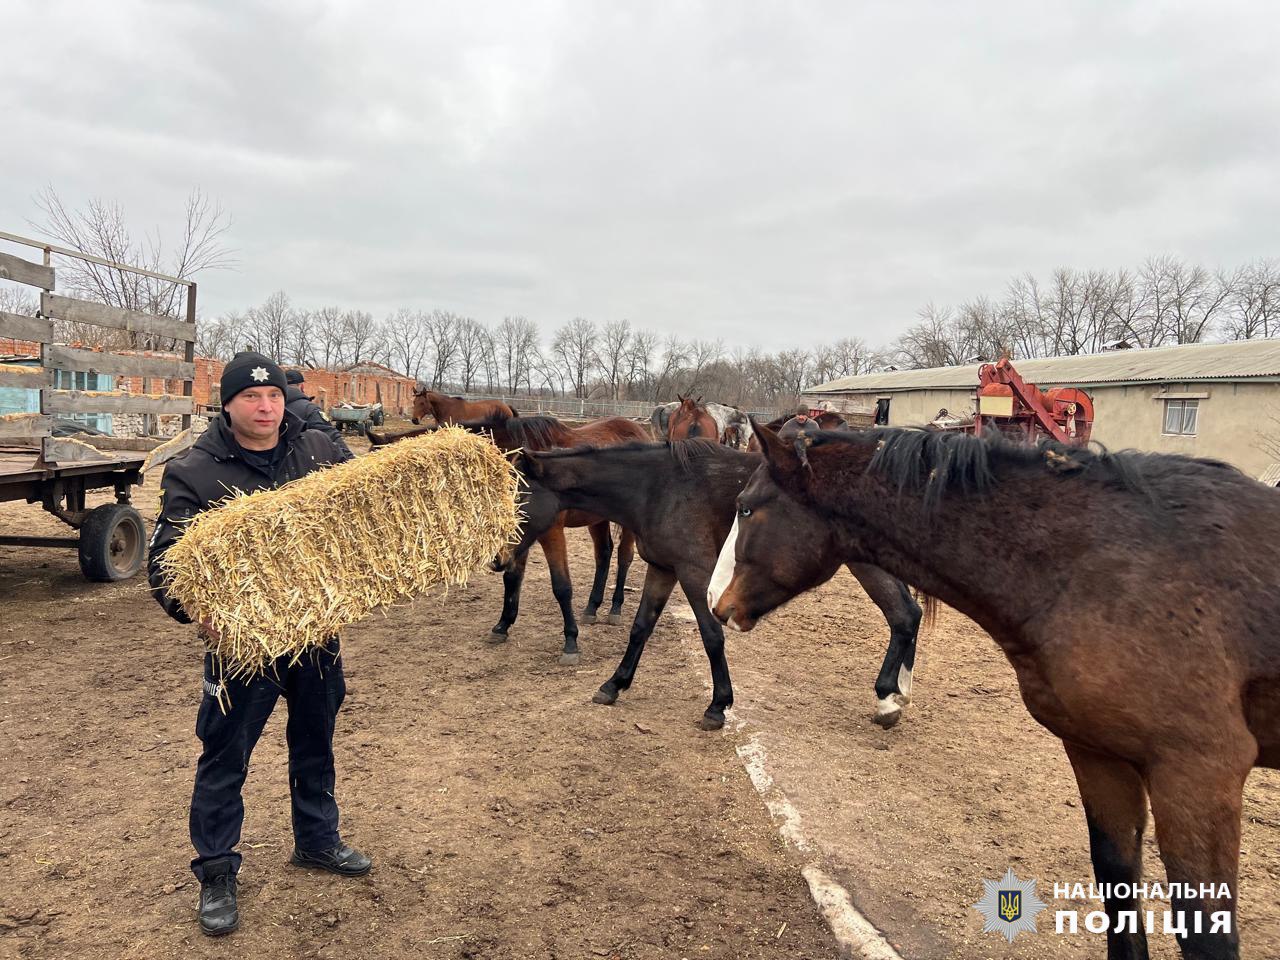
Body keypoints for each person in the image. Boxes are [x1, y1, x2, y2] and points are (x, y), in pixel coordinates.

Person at [147, 351, 371, 938]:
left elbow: (365, 516)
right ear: (227, 404)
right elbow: (167, 566)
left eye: (272, 395)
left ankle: (318, 842)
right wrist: (199, 610)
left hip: (315, 634)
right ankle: (217, 871)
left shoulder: (318, 449)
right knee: (225, 755)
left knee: (315, 738)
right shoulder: (195, 471)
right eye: (251, 397)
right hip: (242, 645)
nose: (265, 406)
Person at [284, 368, 354, 461]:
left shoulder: (271, 407)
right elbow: (331, 436)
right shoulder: (309, 409)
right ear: (302, 386)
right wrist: (351, 461)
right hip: (304, 464)